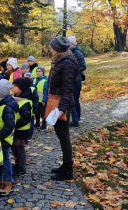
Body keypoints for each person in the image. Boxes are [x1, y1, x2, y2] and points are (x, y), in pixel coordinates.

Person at [47, 36, 79, 180]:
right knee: (61, 135)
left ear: (56, 48)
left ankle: (67, 171)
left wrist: (62, 108)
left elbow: (67, 88)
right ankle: (65, 165)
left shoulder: (67, 63)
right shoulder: (60, 59)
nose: (50, 49)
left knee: (64, 136)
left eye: (51, 46)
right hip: (58, 101)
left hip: (62, 103)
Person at [0, 79, 19, 196]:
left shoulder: (6, 107)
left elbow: (10, 125)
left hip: (4, 139)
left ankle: (8, 183)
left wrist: (0, 137)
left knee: (5, 161)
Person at [11, 78, 32, 177]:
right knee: (14, 148)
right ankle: (17, 164)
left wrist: (14, 124)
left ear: (21, 89)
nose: (12, 87)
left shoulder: (25, 102)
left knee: (20, 149)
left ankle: (22, 168)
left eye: (14, 86)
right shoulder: (15, 98)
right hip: (14, 129)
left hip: (21, 130)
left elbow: (26, 118)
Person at [67, 36, 87, 127]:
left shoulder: (77, 52)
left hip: (76, 80)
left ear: (71, 43)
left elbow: (83, 66)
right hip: (70, 79)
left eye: (68, 42)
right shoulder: (68, 51)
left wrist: (74, 72)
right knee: (72, 100)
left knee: (74, 100)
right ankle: (75, 119)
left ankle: (76, 119)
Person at [23, 73, 39, 140]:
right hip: (23, 108)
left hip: (30, 108)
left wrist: (34, 106)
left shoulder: (32, 88)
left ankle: (30, 135)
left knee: (31, 122)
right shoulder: (22, 88)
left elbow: (36, 98)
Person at [33, 66, 48, 131]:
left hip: (42, 100)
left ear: (43, 72)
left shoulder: (45, 80)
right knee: (36, 112)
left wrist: (44, 101)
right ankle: (37, 123)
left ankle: (44, 124)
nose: (38, 73)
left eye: (40, 71)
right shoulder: (35, 79)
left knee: (43, 113)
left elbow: (45, 91)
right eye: (37, 71)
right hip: (36, 100)